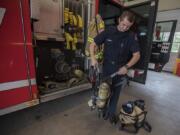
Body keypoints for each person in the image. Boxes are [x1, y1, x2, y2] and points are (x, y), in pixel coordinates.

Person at [89, 11, 140, 123]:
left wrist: (126, 67)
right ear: (119, 20)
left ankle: (111, 113)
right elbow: (92, 44)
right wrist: (93, 59)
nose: (125, 28)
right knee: (104, 91)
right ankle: (103, 109)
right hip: (107, 68)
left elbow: (137, 55)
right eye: (123, 24)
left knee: (115, 94)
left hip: (120, 70)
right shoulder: (109, 31)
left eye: (128, 26)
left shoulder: (131, 37)